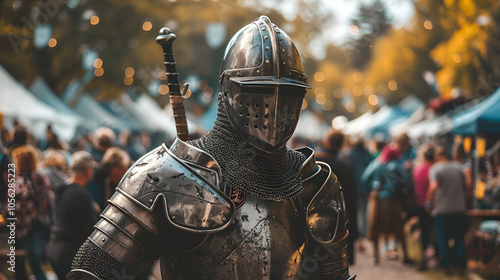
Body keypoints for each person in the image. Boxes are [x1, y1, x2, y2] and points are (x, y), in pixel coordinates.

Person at [69, 16, 354, 280]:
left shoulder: (314, 184)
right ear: (228, 91)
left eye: (287, 95)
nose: (273, 108)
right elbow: (93, 271)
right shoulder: (164, 177)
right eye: (258, 93)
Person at [47, 151, 99, 280]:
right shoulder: (82, 194)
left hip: (54, 251)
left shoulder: (61, 188)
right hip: (71, 256)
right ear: (87, 170)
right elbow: (90, 229)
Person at [10, 145, 53, 280]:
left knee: (31, 265)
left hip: (26, 227)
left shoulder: (19, 181)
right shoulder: (40, 177)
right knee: (34, 264)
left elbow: (12, 206)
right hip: (38, 226)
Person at [316, 129, 358, 265]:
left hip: (314, 219)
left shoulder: (315, 163)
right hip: (338, 221)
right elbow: (351, 202)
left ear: (327, 141)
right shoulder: (344, 168)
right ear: (342, 145)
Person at [425, 145, 467, 274]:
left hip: (442, 210)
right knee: (459, 238)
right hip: (460, 208)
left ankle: (446, 266)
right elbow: (467, 186)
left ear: (436, 156)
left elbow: (433, 187)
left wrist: (428, 204)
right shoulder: (458, 167)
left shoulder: (435, 168)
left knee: (442, 238)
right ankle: (460, 265)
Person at [361, 145, 406, 264]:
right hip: (394, 200)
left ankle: (376, 257)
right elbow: (404, 183)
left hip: (377, 199)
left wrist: (372, 189)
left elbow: (364, 179)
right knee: (398, 227)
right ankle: (405, 256)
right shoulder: (397, 166)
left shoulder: (376, 164)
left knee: (375, 227)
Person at [410, 142, 434, 270]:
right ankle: (430, 258)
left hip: (418, 204)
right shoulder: (433, 168)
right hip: (430, 205)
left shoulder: (417, 168)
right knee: (430, 232)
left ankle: (424, 258)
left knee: (424, 233)